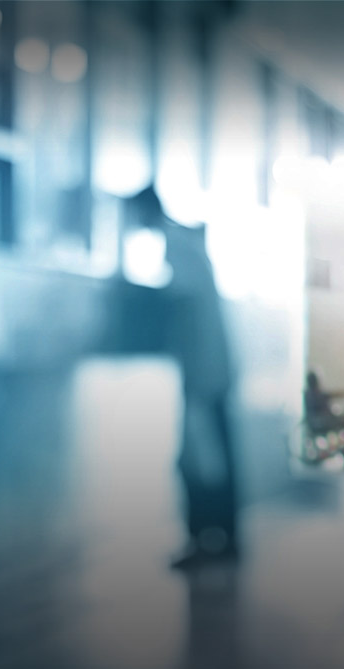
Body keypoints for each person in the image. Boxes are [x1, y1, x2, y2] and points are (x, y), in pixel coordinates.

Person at [127, 185, 241, 570]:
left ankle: (207, 540)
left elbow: (178, 298)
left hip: (203, 372)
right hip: (211, 368)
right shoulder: (186, 242)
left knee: (200, 459)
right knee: (214, 456)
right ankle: (222, 539)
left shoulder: (176, 245)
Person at [303, 370, 344, 466]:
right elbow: (332, 395)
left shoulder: (309, 394)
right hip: (323, 423)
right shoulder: (316, 394)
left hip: (319, 423)